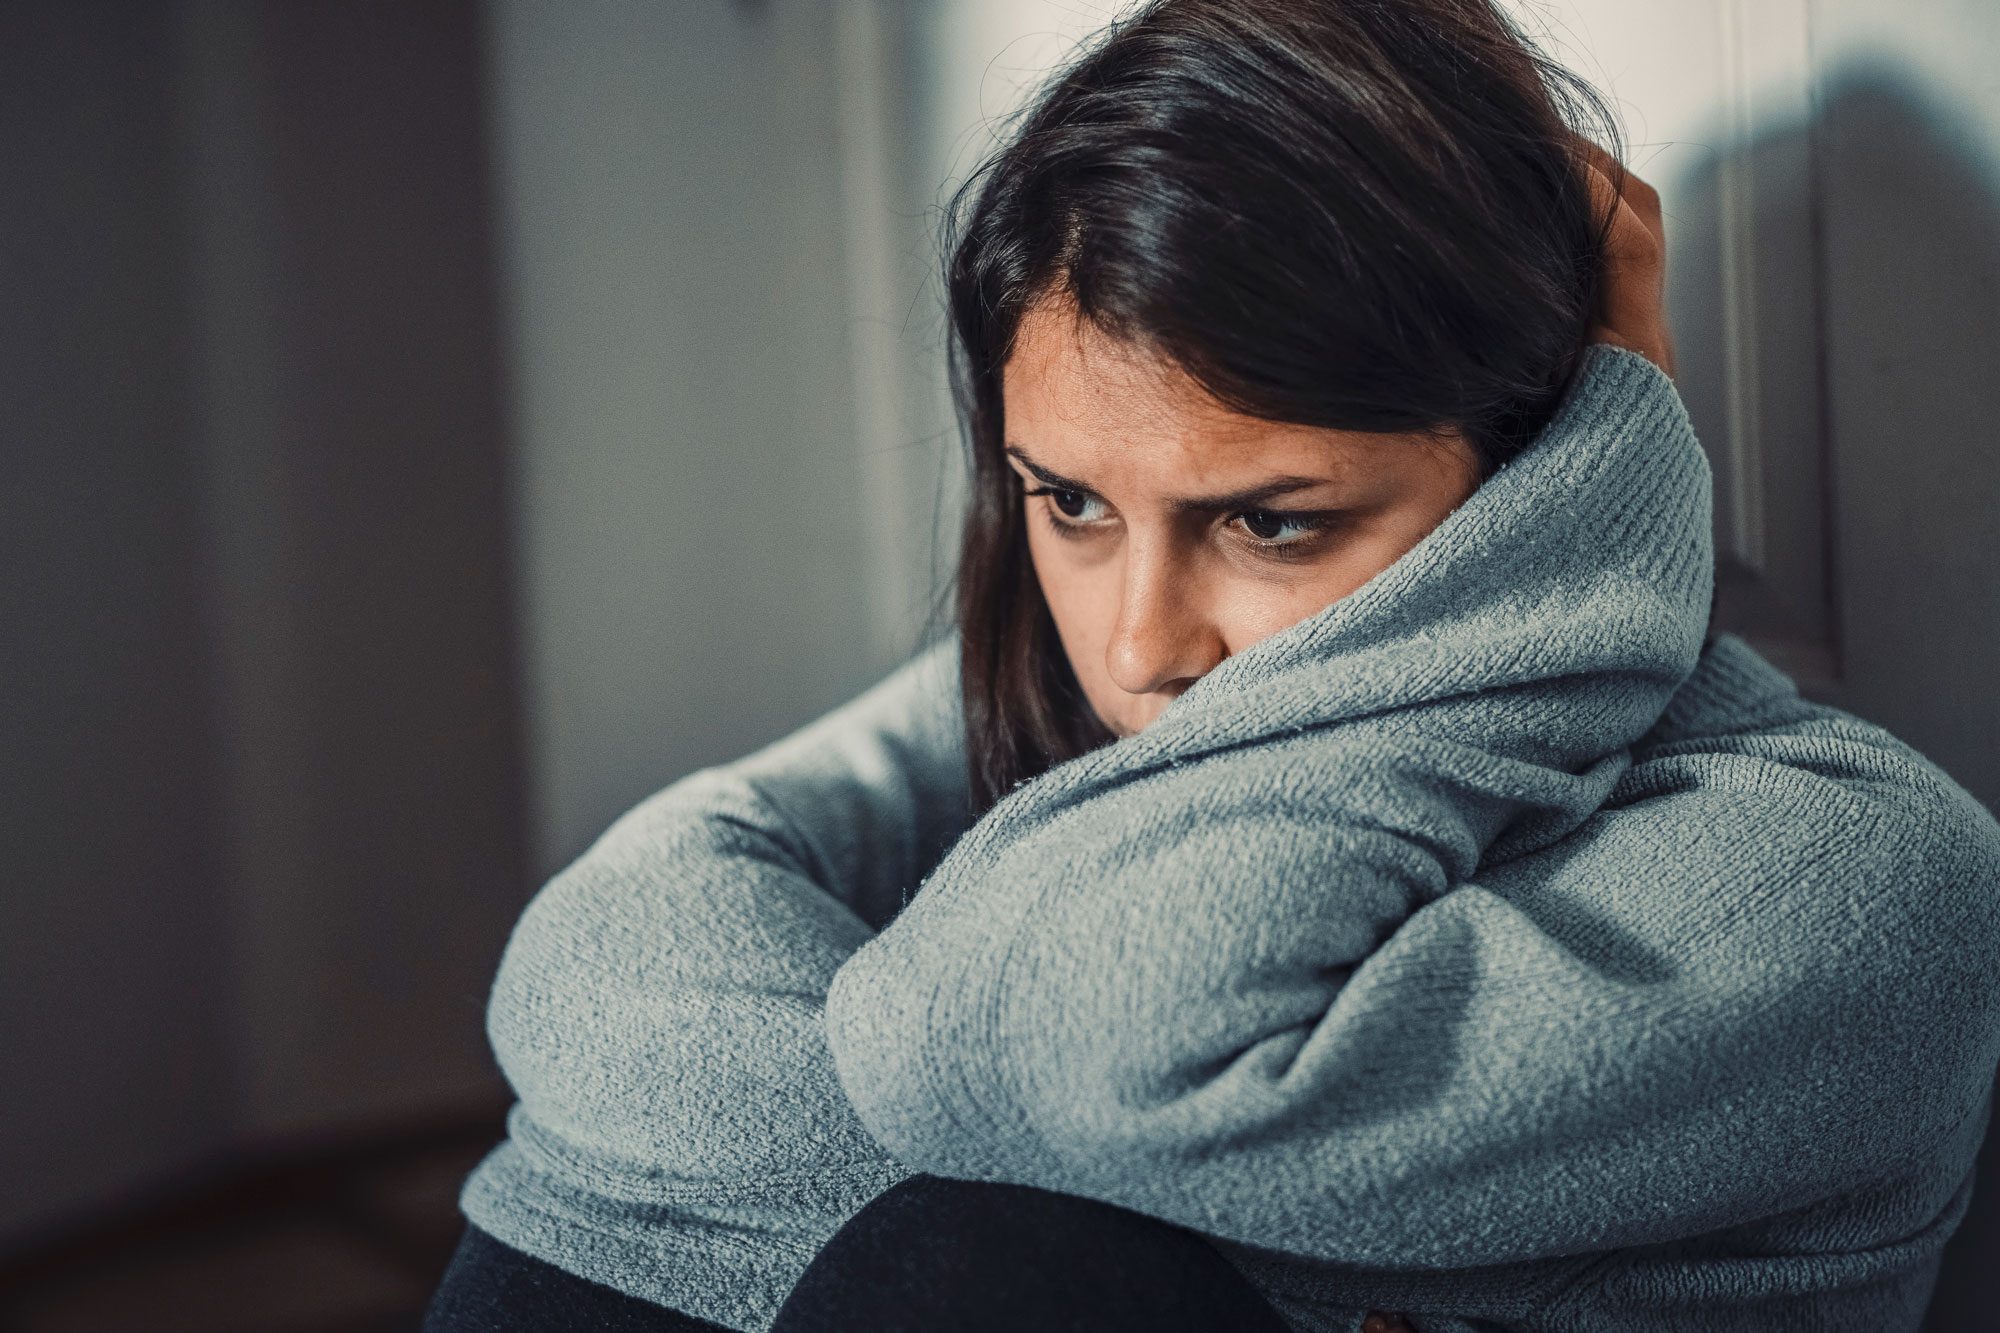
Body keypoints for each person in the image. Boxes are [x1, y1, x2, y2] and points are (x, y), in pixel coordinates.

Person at [427, 3, 2000, 1331]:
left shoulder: (1862, 874)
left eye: (1270, 520)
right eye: (1074, 503)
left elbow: (1090, 1047)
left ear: (1547, 473)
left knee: (1006, 1258)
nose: (1137, 644)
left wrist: (1604, 485)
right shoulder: (1076, 685)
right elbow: (604, 953)